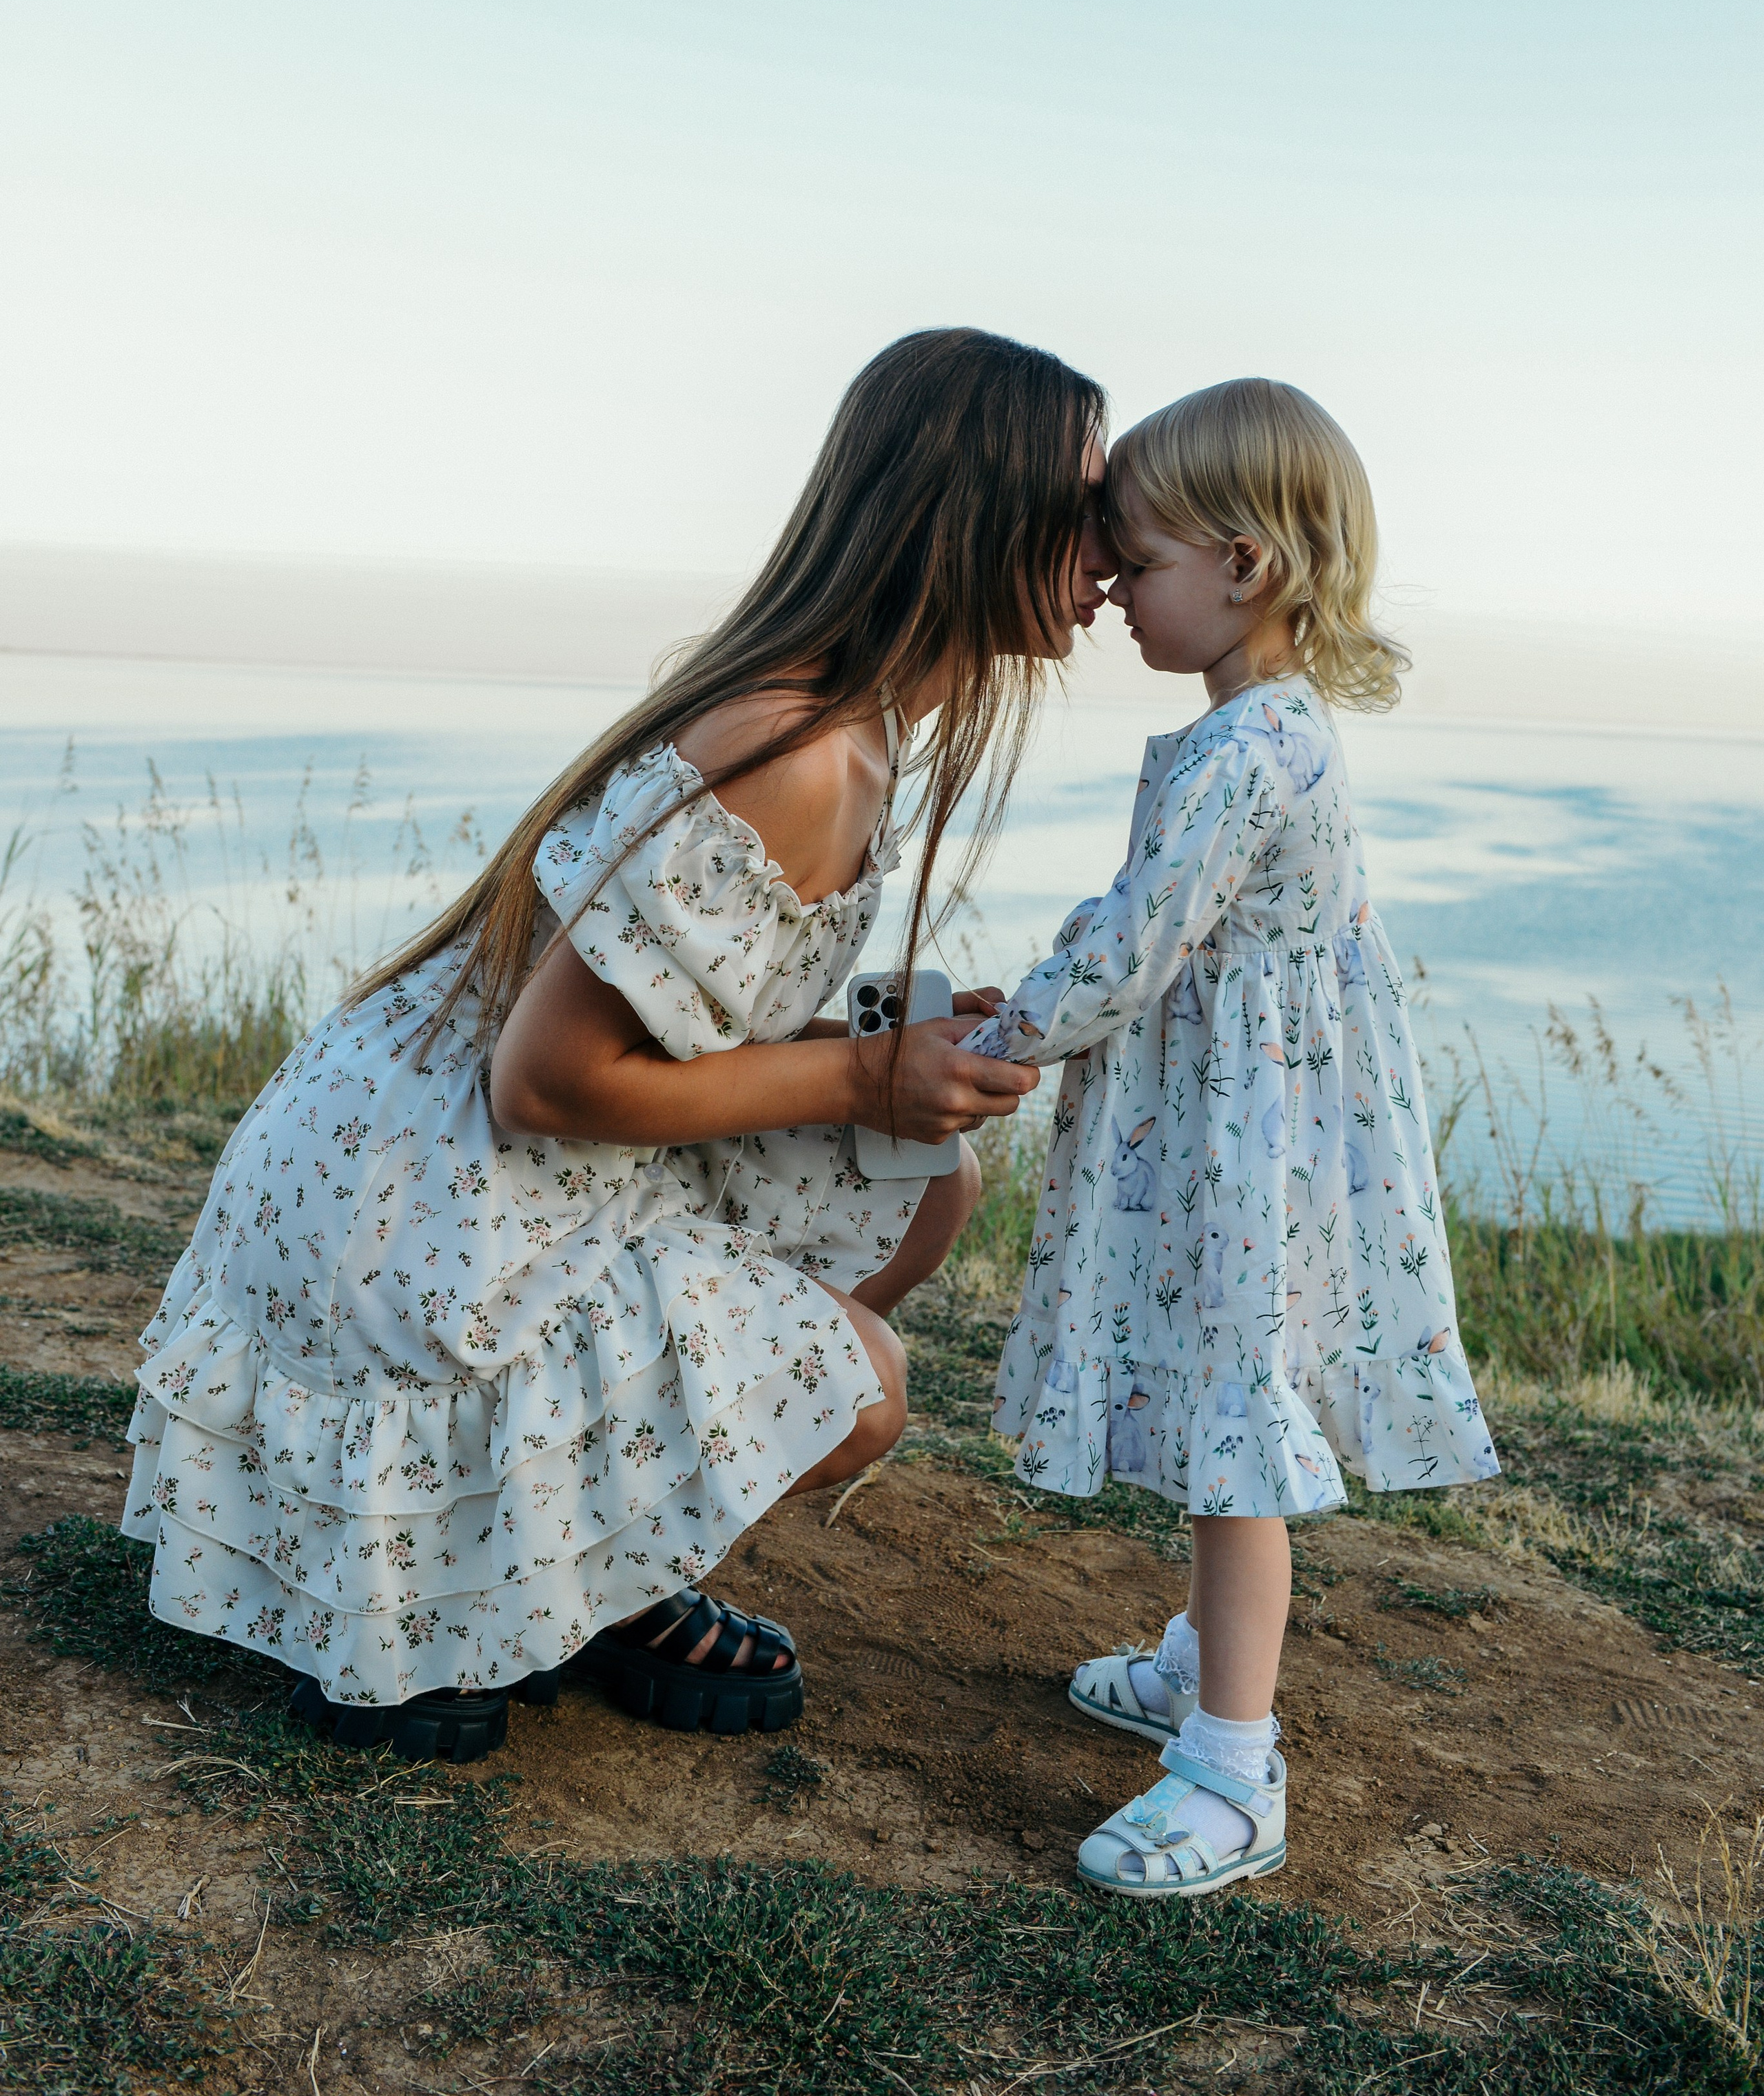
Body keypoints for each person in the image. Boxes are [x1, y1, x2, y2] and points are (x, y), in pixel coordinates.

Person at [123, 327, 1111, 1763]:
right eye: (1082, 509)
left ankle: (572, 1568)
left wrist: (871, 1060)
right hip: (422, 1226)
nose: (1108, 546)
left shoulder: (839, 721)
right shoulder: (801, 746)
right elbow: (546, 1078)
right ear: (980, 517)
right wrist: (858, 1072)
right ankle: (455, 1602)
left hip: (419, 1173)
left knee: (925, 1177)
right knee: (867, 1382)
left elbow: (669, 1013)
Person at [963, 377, 1499, 1898]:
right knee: (1224, 1398)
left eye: (1136, 564)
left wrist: (997, 1041)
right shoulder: (1264, 728)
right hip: (1253, 1125)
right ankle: (1206, 1646)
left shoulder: (1247, 751)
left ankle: (1229, 1765)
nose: (1114, 593)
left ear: (1246, 566)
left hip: (1239, 1145)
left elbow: (1135, 947)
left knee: (1234, 1434)